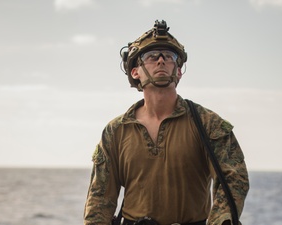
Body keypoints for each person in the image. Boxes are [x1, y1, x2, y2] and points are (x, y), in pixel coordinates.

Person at [84, 20, 249, 225]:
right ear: (135, 71)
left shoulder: (207, 123)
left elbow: (233, 178)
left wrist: (221, 220)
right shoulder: (116, 131)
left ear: (178, 71)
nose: (161, 61)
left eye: (169, 57)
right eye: (152, 56)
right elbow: (100, 197)